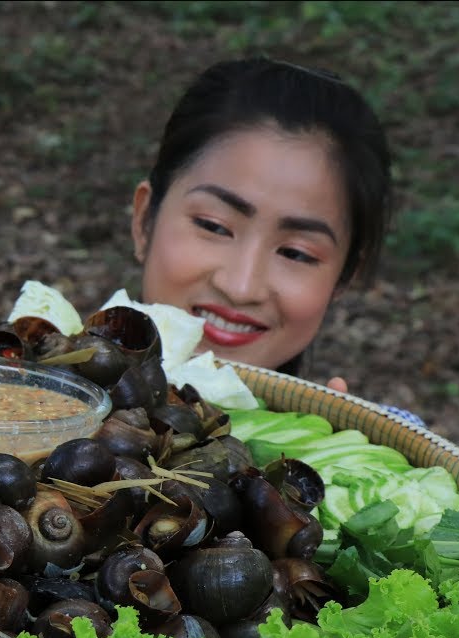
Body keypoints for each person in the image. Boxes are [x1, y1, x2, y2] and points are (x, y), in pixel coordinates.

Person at [130, 56, 396, 402]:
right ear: (144, 220)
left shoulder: (390, 451)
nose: (241, 287)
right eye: (214, 226)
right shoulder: (36, 393)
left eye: (295, 253)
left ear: (344, 277)